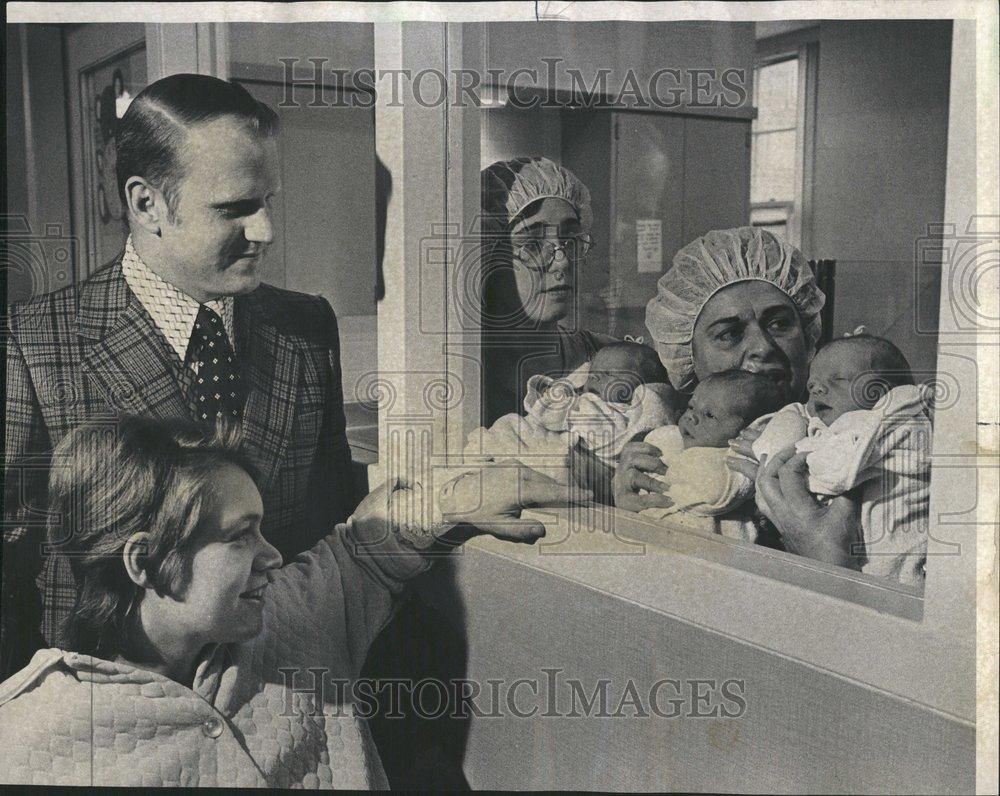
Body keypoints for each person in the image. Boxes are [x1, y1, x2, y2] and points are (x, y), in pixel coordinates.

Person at [0, 416, 587, 787]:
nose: (273, 556)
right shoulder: (32, 737)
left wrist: (456, 496)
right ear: (143, 561)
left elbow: (362, 548)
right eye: (239, 535)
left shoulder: (285, 622)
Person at [4, 75, 332, 674]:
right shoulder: (31, 345)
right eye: (235, 209)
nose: (265, 231)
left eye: (267, 202)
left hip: (279, 697)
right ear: (146, 203)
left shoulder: (307, 329)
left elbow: (324, 531)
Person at [612, 227, 865, 565]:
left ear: (807, 337)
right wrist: (635, 514)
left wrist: (825, 556)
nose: (762, 347)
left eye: (778, 324)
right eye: (729, 334)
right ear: (687, 356)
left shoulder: (852, 443)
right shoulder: (662, 445)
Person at [745, 334, 930, 584]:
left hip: (892, 561)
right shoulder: (842, 427)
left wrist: (796, 452)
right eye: (812, 384)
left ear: (882, 393)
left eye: (838, 379)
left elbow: (833, 473)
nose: (818, 389)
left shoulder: (874, 424)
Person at [479, 157, 621, 426]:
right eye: (532, 244)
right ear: (487, 257)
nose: (562, 260)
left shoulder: (610, 360)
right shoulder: (468, 376)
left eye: (569, 240)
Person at [464, 340, 677, 484]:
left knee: (529, 450)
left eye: (607, 374)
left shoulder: (623, 414)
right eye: (592, 373)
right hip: (555, 441)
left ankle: (490, 457)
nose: (593, 378)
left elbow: (605, 439)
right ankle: (487, 452)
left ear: (640, 386)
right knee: (511, 425)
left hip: (570, 460)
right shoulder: (589, 400)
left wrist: (565, 406)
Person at [639, 370, 788, 537]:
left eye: (709, 415)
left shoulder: (735, 462)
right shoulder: (671, 441)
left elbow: (713, 496)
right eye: (691, 407)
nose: (691, 417)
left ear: (750, 429)